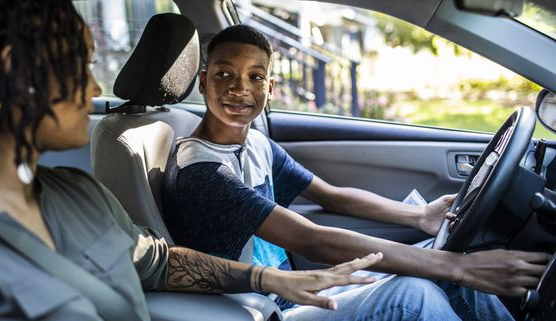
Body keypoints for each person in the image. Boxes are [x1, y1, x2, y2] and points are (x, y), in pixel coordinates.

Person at [0, 1, 386, 320]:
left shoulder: (76, 193)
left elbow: (159, 262)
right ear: (12, 71)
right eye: (79, 64)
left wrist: (272, 279)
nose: (94, 90)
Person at [161, 24, 552, 320]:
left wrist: (419, 215)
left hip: (296, 293)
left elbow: (331, 195)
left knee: (442, 259)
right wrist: (463, 268)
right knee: (417, 293)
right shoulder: (202, 171)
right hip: (258, 309)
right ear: (202, 82)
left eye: (255, 77)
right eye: (224, 74)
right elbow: (312, 239)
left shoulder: (256, 144)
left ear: (271, 87)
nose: (239, 89)